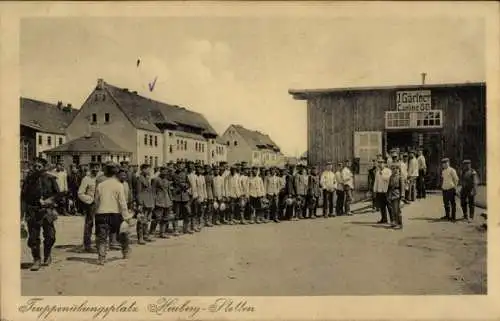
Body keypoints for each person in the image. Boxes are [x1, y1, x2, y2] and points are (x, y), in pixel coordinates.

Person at [21, 158, 60, 271]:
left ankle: (47, 255)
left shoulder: (50, 179)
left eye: (39, 166)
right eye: (35, 166)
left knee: (50, 236)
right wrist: (22, 216)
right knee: (33, 238)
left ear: (44, 167)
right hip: (32, 211)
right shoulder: (28, 180)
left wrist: (50, 201)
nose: (37, 168)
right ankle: (36, 259)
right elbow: (23, 198)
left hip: (47, 211)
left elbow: (58, 195)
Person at [93, 162, 132, 264]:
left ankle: (101, 258)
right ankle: (125, 251)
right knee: (122, 233)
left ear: (105, 173)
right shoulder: (119, 185)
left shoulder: (100, 185)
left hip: (101, 213)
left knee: (102, 237)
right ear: (115, 173)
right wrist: (127, 217)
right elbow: (122, 203)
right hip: (115, 214)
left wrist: (96, 212)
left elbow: (96, 201)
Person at [78, 162, 100, 252]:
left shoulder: (101, 178)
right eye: (93, 168)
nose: (95, 169)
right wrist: (90, 200)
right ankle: (87, 245)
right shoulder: (86, 179)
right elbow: (80, 193)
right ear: (90, 168)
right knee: (89, 224)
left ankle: (99, 244)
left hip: (101, 204)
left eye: (97, 167)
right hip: (91, 204)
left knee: (100, 224)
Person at [152, 166, 176, 238]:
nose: (165, 173)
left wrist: (171, 200)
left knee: (165, 218)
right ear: (160, 171)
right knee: (157, 217)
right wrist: (153, 201)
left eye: (166, 172)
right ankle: (151, 232)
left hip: (167, 201)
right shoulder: (156, 180)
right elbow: (153, 191)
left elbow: (169, 191)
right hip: (159, 200)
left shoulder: (167, 181)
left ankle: (162, 233)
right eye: (163, 171)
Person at [135, 163, 155, 243]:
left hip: (148, 202)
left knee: (146, 220)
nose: (149, 171)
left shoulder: (147, 178)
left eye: (149, 169)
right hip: (143, 202)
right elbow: (138, 192)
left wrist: (152, 202)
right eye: (147, 169)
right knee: (141, 220)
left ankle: (145, 235)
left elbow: (150, 191)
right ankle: (140, 238)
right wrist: (140, 203)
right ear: (143, 170)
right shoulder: (140, 179)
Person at [172, 162, 194, 234]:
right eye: (178, 166)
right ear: (176, 166)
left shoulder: (185, 174)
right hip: (176, 196)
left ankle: (185, 228)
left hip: (185, 196)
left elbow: (189, 184)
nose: (180, 167)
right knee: (176, 214)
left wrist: (185, 185)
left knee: (187, 213)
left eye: (181, 166)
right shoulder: (173, 174)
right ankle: (176, 229)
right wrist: (175, 189)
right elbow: (170, 184)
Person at [373, 158, 392, 224]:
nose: (380, 164)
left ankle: (392, 220)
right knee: (382, 206)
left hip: (386, 191)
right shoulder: (377, 172)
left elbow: (388, 179)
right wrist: (375, 190)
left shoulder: (388, 171)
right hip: (380, 191)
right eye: (379, 163)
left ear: (384, 164)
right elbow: (376, 182)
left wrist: (382, 175)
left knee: (389, 206)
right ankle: (384, 219)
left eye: (382, 163)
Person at [387, 163, 404, 229]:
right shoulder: (391, 177)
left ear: (398, 169)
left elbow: (402, 188)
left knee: (397, 210)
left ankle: (400, 223)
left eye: (395, 168)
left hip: (397, 195)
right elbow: (389, 186)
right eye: (393, 169)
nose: (394, 170)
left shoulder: (400, 177)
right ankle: (395, 222)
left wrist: (402, 197)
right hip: (391, 194)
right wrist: (388, 195)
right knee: (393, 210)